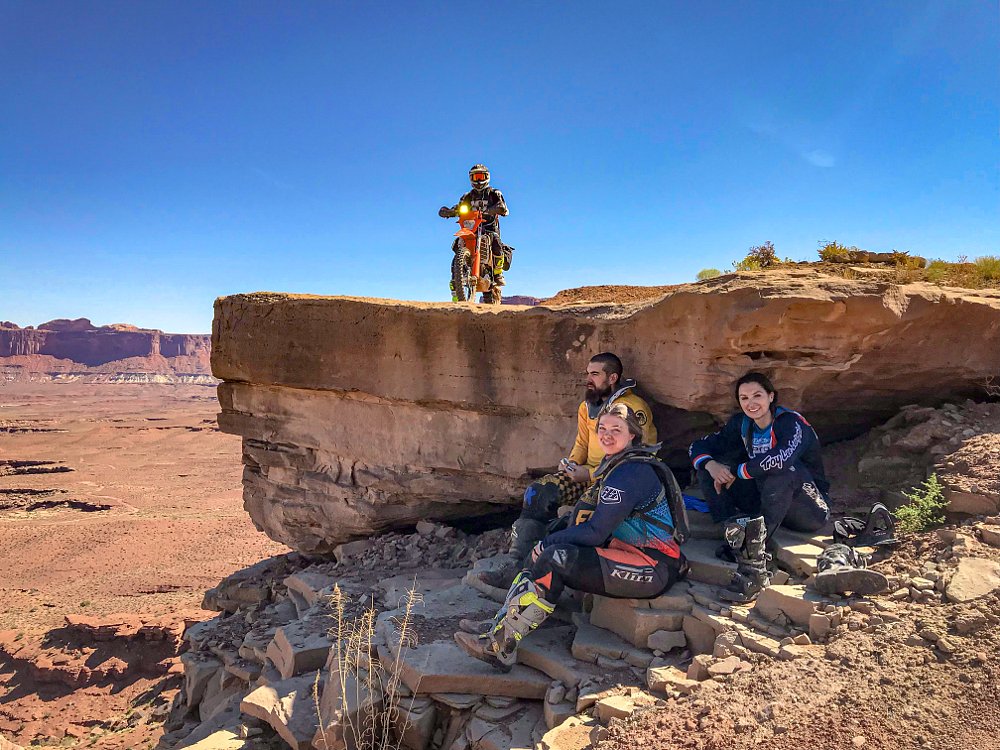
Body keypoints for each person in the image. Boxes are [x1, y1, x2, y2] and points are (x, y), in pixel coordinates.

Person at [455, 403, 688, 670]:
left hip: (653, 566)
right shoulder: (619, 464)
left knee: (555, 556)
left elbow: (596, 532)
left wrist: (547, 543)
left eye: (616, 429)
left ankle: (501, 647)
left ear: (632, 434)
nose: (607, 435)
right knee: (551, 541)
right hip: (626, 551)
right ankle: (501, 624)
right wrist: (551, 537)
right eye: (602, 428)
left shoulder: (631, 473)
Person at [473, 352, 657, 589]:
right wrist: (571, 465)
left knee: (575, 519)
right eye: (587, 373)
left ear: (612, 378)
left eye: (595, 374)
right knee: (537, 493)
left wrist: (590, 475)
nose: (588, 379)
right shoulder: (588, 406)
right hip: (586, 475)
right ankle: (515, 563)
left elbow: (643, 455)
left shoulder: (633, 408)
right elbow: (582, 442)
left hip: (615, 479)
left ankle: (542, 569)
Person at [688, 372, 832, 603]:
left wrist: (738, 471)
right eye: (744, 398)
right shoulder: (742, 423)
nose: (751, 403)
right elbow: (699, 446)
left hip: (807, 507)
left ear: (771, 396)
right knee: (709, 469)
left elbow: (781, 459)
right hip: (765, 497)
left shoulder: (791, 422)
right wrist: (712, 465)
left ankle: (756, 547)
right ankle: (732, 534)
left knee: (783, 472)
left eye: (757, 396)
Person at [438, 164, 512, 289]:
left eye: (480, 177)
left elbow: (502, 207)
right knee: (457, 244)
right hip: (471, 228)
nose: (478, 180)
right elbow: (459, 207)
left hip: (489, 228)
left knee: (496, 242)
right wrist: (449, 211)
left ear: (487, 177)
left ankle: (498, 273)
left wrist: (494, 209)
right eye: (475, 177)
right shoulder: (467, 196)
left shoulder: (494, 193)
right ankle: (456, 277)